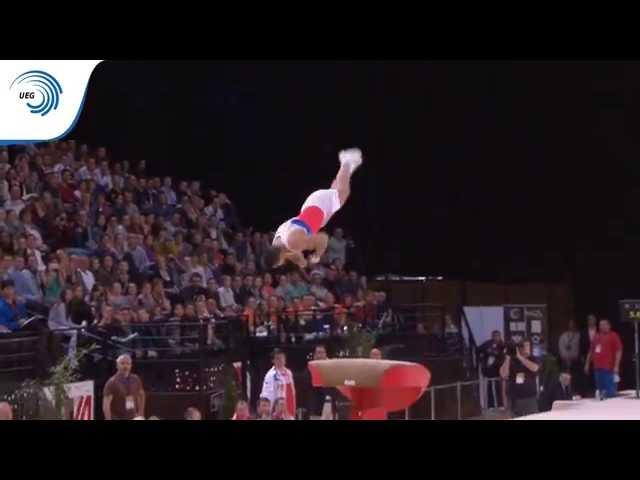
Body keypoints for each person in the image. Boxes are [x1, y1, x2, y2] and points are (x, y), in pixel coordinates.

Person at [264, 148, 363, 270]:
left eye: (279, 264)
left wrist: (317, 255)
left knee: (343, 193)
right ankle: (347, 169)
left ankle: (346, 161)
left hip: (319, 206)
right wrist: (302, 262)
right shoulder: (277, 243)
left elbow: (323, 238)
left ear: (279, 259)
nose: (281, 264)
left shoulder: (292, 243)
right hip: (313, 211)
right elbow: (294, 254)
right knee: (336, 192)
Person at [500, 339, 540, 417]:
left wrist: (520, 357)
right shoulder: (511, 360)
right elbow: (504, 374)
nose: (527, 348)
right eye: (525, 346)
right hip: (514, 399)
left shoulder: (532, 358)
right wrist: (508, 358)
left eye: (528, 346)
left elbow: (535, 368)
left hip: (529, 398)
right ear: (519, 348)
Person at [584, 318, 622, 399]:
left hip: (608, 368)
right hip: (597, 368)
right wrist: (587, 364)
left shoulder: (613, 335)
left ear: (609, 326)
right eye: (600, 325)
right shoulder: (596, 336)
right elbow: (591, 351)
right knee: (600, 390)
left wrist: (616, 366)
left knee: (610, 391)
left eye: (604, 324)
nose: (602, 326)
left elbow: (619, 351)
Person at [102, 354, 146, 420]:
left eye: (128, 363)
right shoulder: (112, 382)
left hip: (133, 417)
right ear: (117, 365)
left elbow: (141, 395)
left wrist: (141, 412)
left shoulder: (135, 379)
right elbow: (106, 406)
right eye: (122, 363)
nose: (125, 366)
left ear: (131, 365)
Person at [260, 348, 296, 419]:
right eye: (278, 359)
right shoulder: (271, 375)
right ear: (273, 361)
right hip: (278, 408)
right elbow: (267, 394)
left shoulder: (289, 372)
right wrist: (267, 410)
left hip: (290, 406)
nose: (280, 360)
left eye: (282, 358)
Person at [478, 330, 505, 408]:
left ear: (500, 337)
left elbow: (503, 357)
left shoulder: (502, 345)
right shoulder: (487, 344)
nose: (496, 338)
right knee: (489, 388)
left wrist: (496, 355)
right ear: (492, 337)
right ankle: (490, 405)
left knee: (498, 388)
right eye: (494, 336)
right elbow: (478, 350)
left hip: (498, 370)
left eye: (498, 336)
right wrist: (482, 359)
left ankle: (501, 405)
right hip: (488, 370)